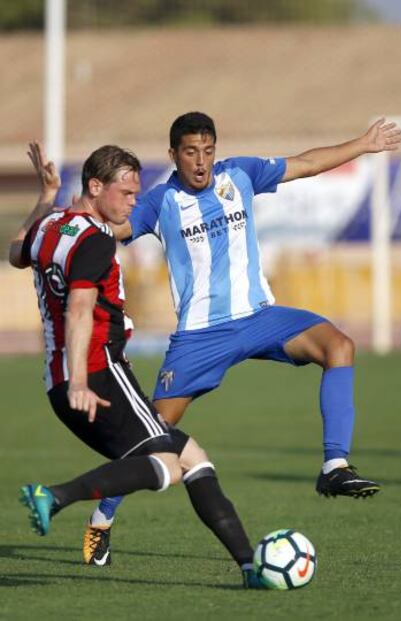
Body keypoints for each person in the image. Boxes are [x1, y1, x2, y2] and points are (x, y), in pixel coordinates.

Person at [84, 112, 401, 551]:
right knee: (152, 434)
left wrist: (363, 143)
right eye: (191, 152)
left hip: (258, 317)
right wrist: (72, 221)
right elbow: (112, 228)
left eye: (208, 151)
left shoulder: (241, 174)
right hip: (200, 336)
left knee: (339, 346)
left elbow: (306, 163)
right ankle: (102, 516)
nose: (201, 162)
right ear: (173, 154)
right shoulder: (160, 202)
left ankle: (334, 466)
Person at [9, 142, 262, 589]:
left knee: (194, 458)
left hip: (60, 378)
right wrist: (83, 381)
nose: (133, 202)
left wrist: (45, 196)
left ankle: (248, 566)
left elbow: (16, 253)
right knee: (168, 464)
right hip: (98, 374)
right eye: (125, 193)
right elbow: (81, 310)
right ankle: (55, 496)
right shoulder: (95, 242)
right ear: (94, 186)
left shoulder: (52, 224)